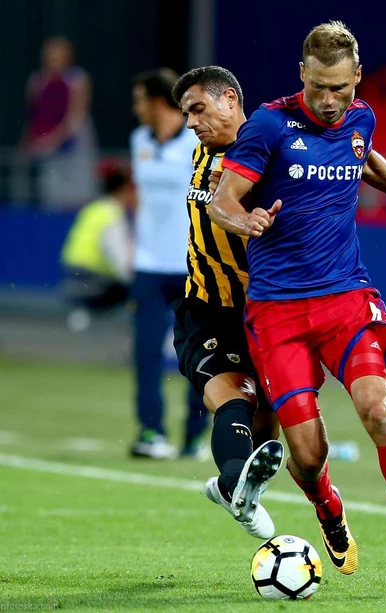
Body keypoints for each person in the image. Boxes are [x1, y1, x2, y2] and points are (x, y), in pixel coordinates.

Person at [209, 21, 386, 592]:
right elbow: (222, 200)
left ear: (357, 79)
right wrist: (245, 221)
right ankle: (327, 505)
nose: (330, 101)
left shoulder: (360, 117)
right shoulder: (269, 126)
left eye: (341, 89)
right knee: (305, 452)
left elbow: (364, 158)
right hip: (277, 311)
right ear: (302, 74)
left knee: (379, 410)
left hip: (345, 297)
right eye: (319, 88)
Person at [170, 66, 284, 539]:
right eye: (186, 114)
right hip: (206, 308)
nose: (192, 122)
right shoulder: (203, 150)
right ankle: (236, 480)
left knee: (268, 424)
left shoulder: (266, 156)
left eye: (198, 109)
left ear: (231, 100)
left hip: (263, 312)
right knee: (233, 396)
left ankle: (229, 486)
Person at [129, 69, 208, 459]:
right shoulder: (139, 141)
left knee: (198, 355)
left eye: (139, 100)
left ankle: (194, 437)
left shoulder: (197, 141)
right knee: (144, 353)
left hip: (191, 266)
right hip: (148, 266)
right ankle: (151, 432)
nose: (136, 108)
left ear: (158, 103)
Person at [17, 36, 98, 208]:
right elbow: (33, 114)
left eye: (60, 57)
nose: (55, 62)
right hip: (48, 146)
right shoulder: (37, 79)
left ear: (68, 58)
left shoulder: (77, 78)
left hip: (74, 142)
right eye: (51, 57)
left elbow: (77, 115)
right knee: (52, 196)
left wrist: (53, 140)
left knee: (79, 195)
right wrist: (29, 142)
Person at [60, 168, 134, 331]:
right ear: (123, 190)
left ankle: (84, 312)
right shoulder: (113, 213)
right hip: (93, 277)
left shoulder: (93, 208)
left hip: (72, 273)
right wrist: (134, 280)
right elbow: (118, 256)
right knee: (140, 288)